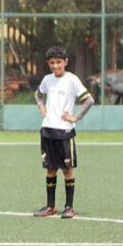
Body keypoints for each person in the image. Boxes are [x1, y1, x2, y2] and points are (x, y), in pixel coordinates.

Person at [33, 46, 95, 219]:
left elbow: (89, 100)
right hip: (47, 130)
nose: (55, 66)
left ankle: (69, 207)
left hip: (65, 132)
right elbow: (38, 94)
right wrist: (41, 106)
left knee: (67, 170)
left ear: (66, 62)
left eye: (58, 62)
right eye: (52, 63)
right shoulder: (47, 80)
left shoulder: (72, 80)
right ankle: (50, 206)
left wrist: (76, 117)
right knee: (50, 169)